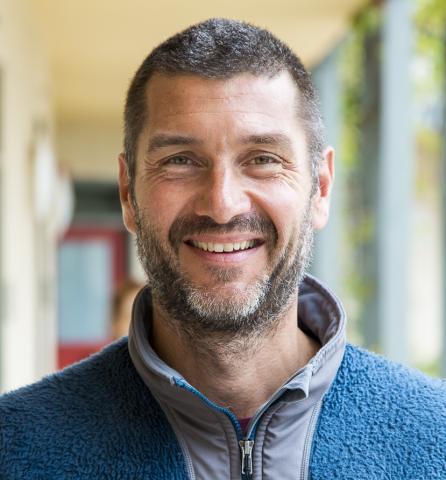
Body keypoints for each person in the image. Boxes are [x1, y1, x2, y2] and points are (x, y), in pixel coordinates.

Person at [1, 18, 445, 479]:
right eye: (180, 161)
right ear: (129, 193)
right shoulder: (14, 447)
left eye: (263, 160)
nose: (222, 204)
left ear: (321, 188)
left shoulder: (436, 439)